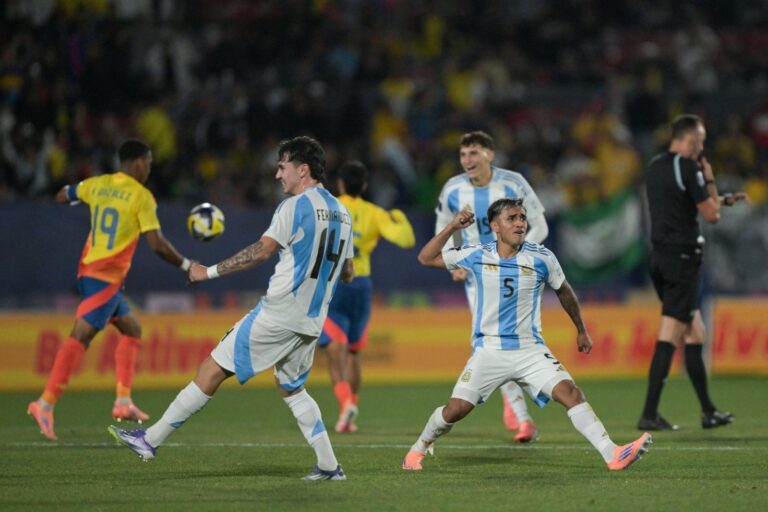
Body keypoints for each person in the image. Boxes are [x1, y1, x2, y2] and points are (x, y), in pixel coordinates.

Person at [108, 136, 355, 481]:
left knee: (211, 369)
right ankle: (329, 466)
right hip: (312, 321)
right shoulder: (344, 213)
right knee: (292, 388)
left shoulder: (294, 207)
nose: (277, 175)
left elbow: (260, 252)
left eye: (282, 167)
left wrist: (206, 271)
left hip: (279, 314)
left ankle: (149, 440)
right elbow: (348, 271)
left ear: (303, 170)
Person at [402, 198, 652, 472]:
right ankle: (418, 448)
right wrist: (452, 227)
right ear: (495, 226)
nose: (520, 223)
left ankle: (612, 454)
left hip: (530, 349)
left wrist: (581, 329)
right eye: (511, 218)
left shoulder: (542, 257)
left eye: (522, 217)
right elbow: (425, 258)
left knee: (571, 394)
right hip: (490, 350)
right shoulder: (476, 254)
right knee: (456, 409)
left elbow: (564, 290)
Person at [26, 140, 192, 441]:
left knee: (132, 329)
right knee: (81, 336)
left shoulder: (98, 184)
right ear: (139, 162)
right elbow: (157, 244)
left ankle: (123, 401)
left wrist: (78, 197)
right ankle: (45, 403)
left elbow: (63, 194)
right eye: (149, 163)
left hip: (90, 270)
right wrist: (186, 265)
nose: (149, 169)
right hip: (104, 276)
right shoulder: (141, 196)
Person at [638, 114, 751, 431]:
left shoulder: (655, 166)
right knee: (670, 331)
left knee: (695, 332)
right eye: (700, 141)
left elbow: (683, 202)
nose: (702, 147)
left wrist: (724, 199)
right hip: (681, 259)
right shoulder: (688, 167)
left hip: (660, 258)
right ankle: (649, 414)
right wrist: (710, 178)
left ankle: (708, 412)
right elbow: (710, 215)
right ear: (689, 139)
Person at [434, 130, 549, 443]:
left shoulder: (512, 183)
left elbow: (540, 225)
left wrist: (521, 256)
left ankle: (520, 401)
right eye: (463, 155)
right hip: (480, 281)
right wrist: (453, 262)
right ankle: (522, 417)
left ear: (490, 155)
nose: (467, 160)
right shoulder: (453, 188)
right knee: (493, 344)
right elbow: (443, 228)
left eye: (474, 153)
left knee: (522, 340)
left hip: (519, 276)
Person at [318, 161, 415, 433]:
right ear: (363, 186)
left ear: (340, 184)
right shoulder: (374, 213)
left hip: (335, 283)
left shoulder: (329, 208)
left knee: (334, 350)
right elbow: (406, 240)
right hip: (362, 285)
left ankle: (345, 404)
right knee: (353, 350)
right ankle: (350, 412)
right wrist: (400, 216)